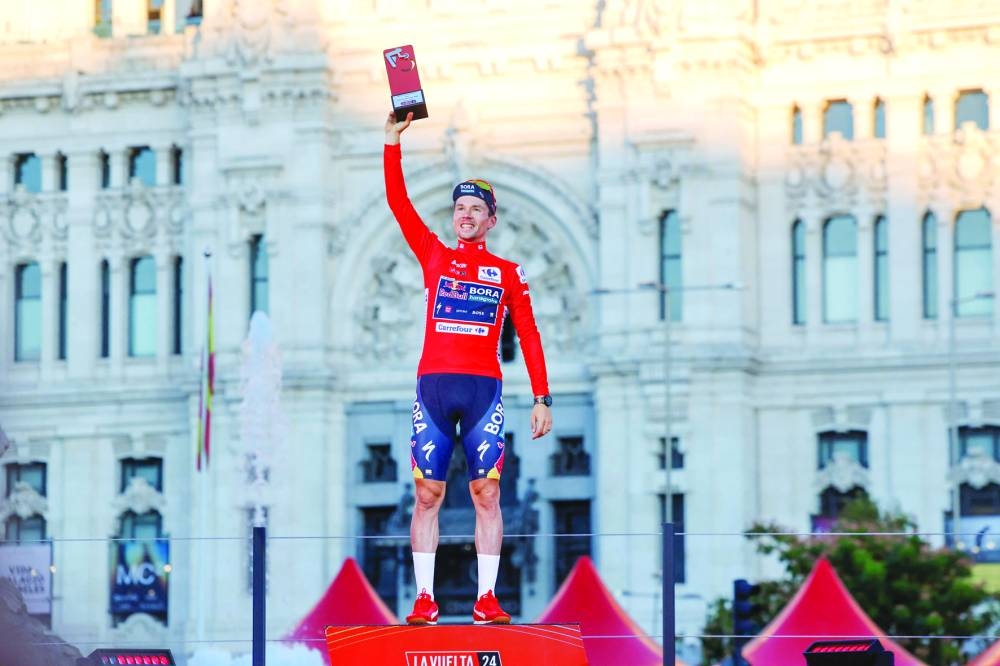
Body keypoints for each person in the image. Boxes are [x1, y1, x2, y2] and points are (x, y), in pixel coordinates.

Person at [384, 111, 553, 625]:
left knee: (488, 494)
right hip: (433, 389)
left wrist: (543, 398)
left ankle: (486, 598)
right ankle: (425, 599)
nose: (465, 214)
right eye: (459, 207)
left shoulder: (507, 274)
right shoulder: (434, 254)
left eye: (475, 208)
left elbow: (528, 333)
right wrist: (392, 139)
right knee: (426, 494)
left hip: (484, 391)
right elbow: (398, 202)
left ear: (490, 220)